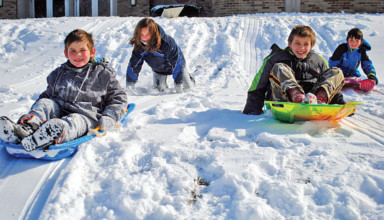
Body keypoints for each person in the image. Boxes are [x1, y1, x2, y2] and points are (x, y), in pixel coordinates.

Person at [0, 29, 128, 152]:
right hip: (59, 111)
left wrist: (110, 116)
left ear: (92, 52)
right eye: (73, 51)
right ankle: (26, 129)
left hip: (85, 116)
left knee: (75, 120)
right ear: (66, 53)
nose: (78, 55)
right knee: (45, 103)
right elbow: (47, 95)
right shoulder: (59, 73)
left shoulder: (102, 74)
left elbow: (118, 97)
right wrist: (40, 108)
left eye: (82, 50)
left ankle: (54, 134)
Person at [243, 25, 345, 115]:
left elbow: (328, 82)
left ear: (312, 45)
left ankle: (320, 100)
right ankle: (297, 97)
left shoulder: (319, 60)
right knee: (280, 67)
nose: (301, 48)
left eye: (306, 44)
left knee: (336, 72)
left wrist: (339, 105)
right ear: (289, 43)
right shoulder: (275, 58)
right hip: (283, 101)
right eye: (297, 43)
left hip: (312, 100)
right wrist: (252, 108)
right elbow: (259, 84)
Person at [125, 18, 194, 93]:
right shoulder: (139, 46)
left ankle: (190, 79)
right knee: (158, 91)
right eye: (142, 35)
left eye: (147, 34)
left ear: (153, 33)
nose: (144, 38)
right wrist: (130, 83)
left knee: (187, 88)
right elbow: (134, 65)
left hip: (177, 67)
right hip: (159, 70)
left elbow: (177, 63)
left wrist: (178, 84)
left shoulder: (167, 43)